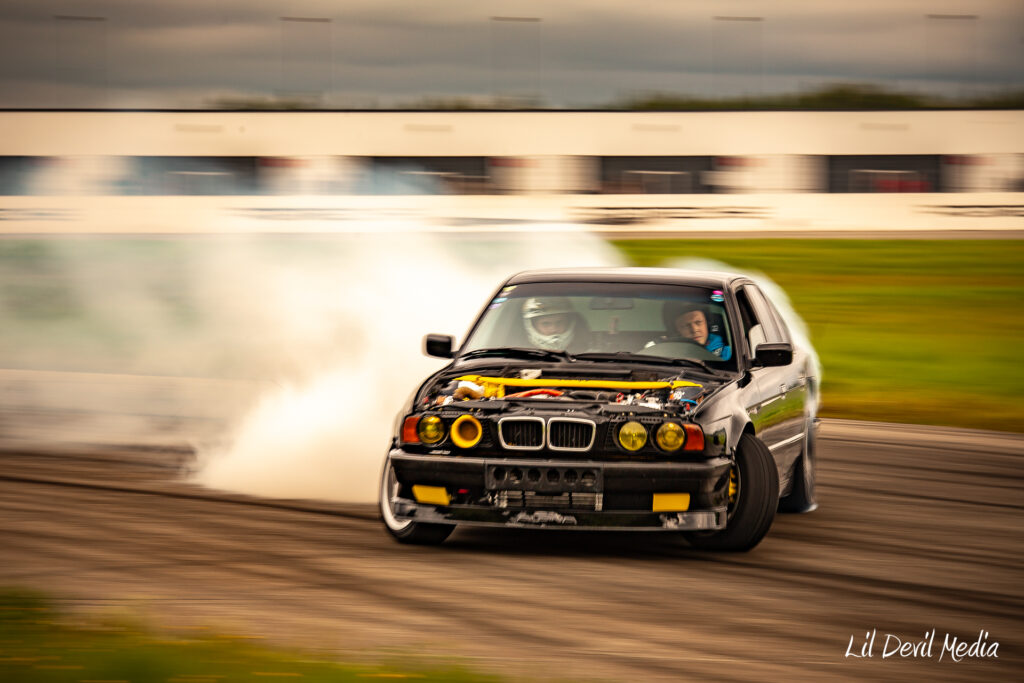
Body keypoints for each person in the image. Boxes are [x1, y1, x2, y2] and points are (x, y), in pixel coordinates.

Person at [662, 301, 732, 360]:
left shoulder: (727, 353)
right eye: (686, 326)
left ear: (707, 323)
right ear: (677, 330)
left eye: (698, 322)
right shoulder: (666, 354)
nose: (694, 330)